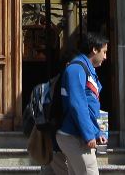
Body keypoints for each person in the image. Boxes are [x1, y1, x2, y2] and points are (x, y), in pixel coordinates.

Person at [51, 31, 108, 175]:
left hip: (78, 134)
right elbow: (78, 104)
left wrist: (96, 131)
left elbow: (89, 106)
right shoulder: (76, 69)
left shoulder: (87, 69)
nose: (105, 57)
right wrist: (89, 134)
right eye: (104, 52)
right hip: (73, 135)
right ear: (94, 49)